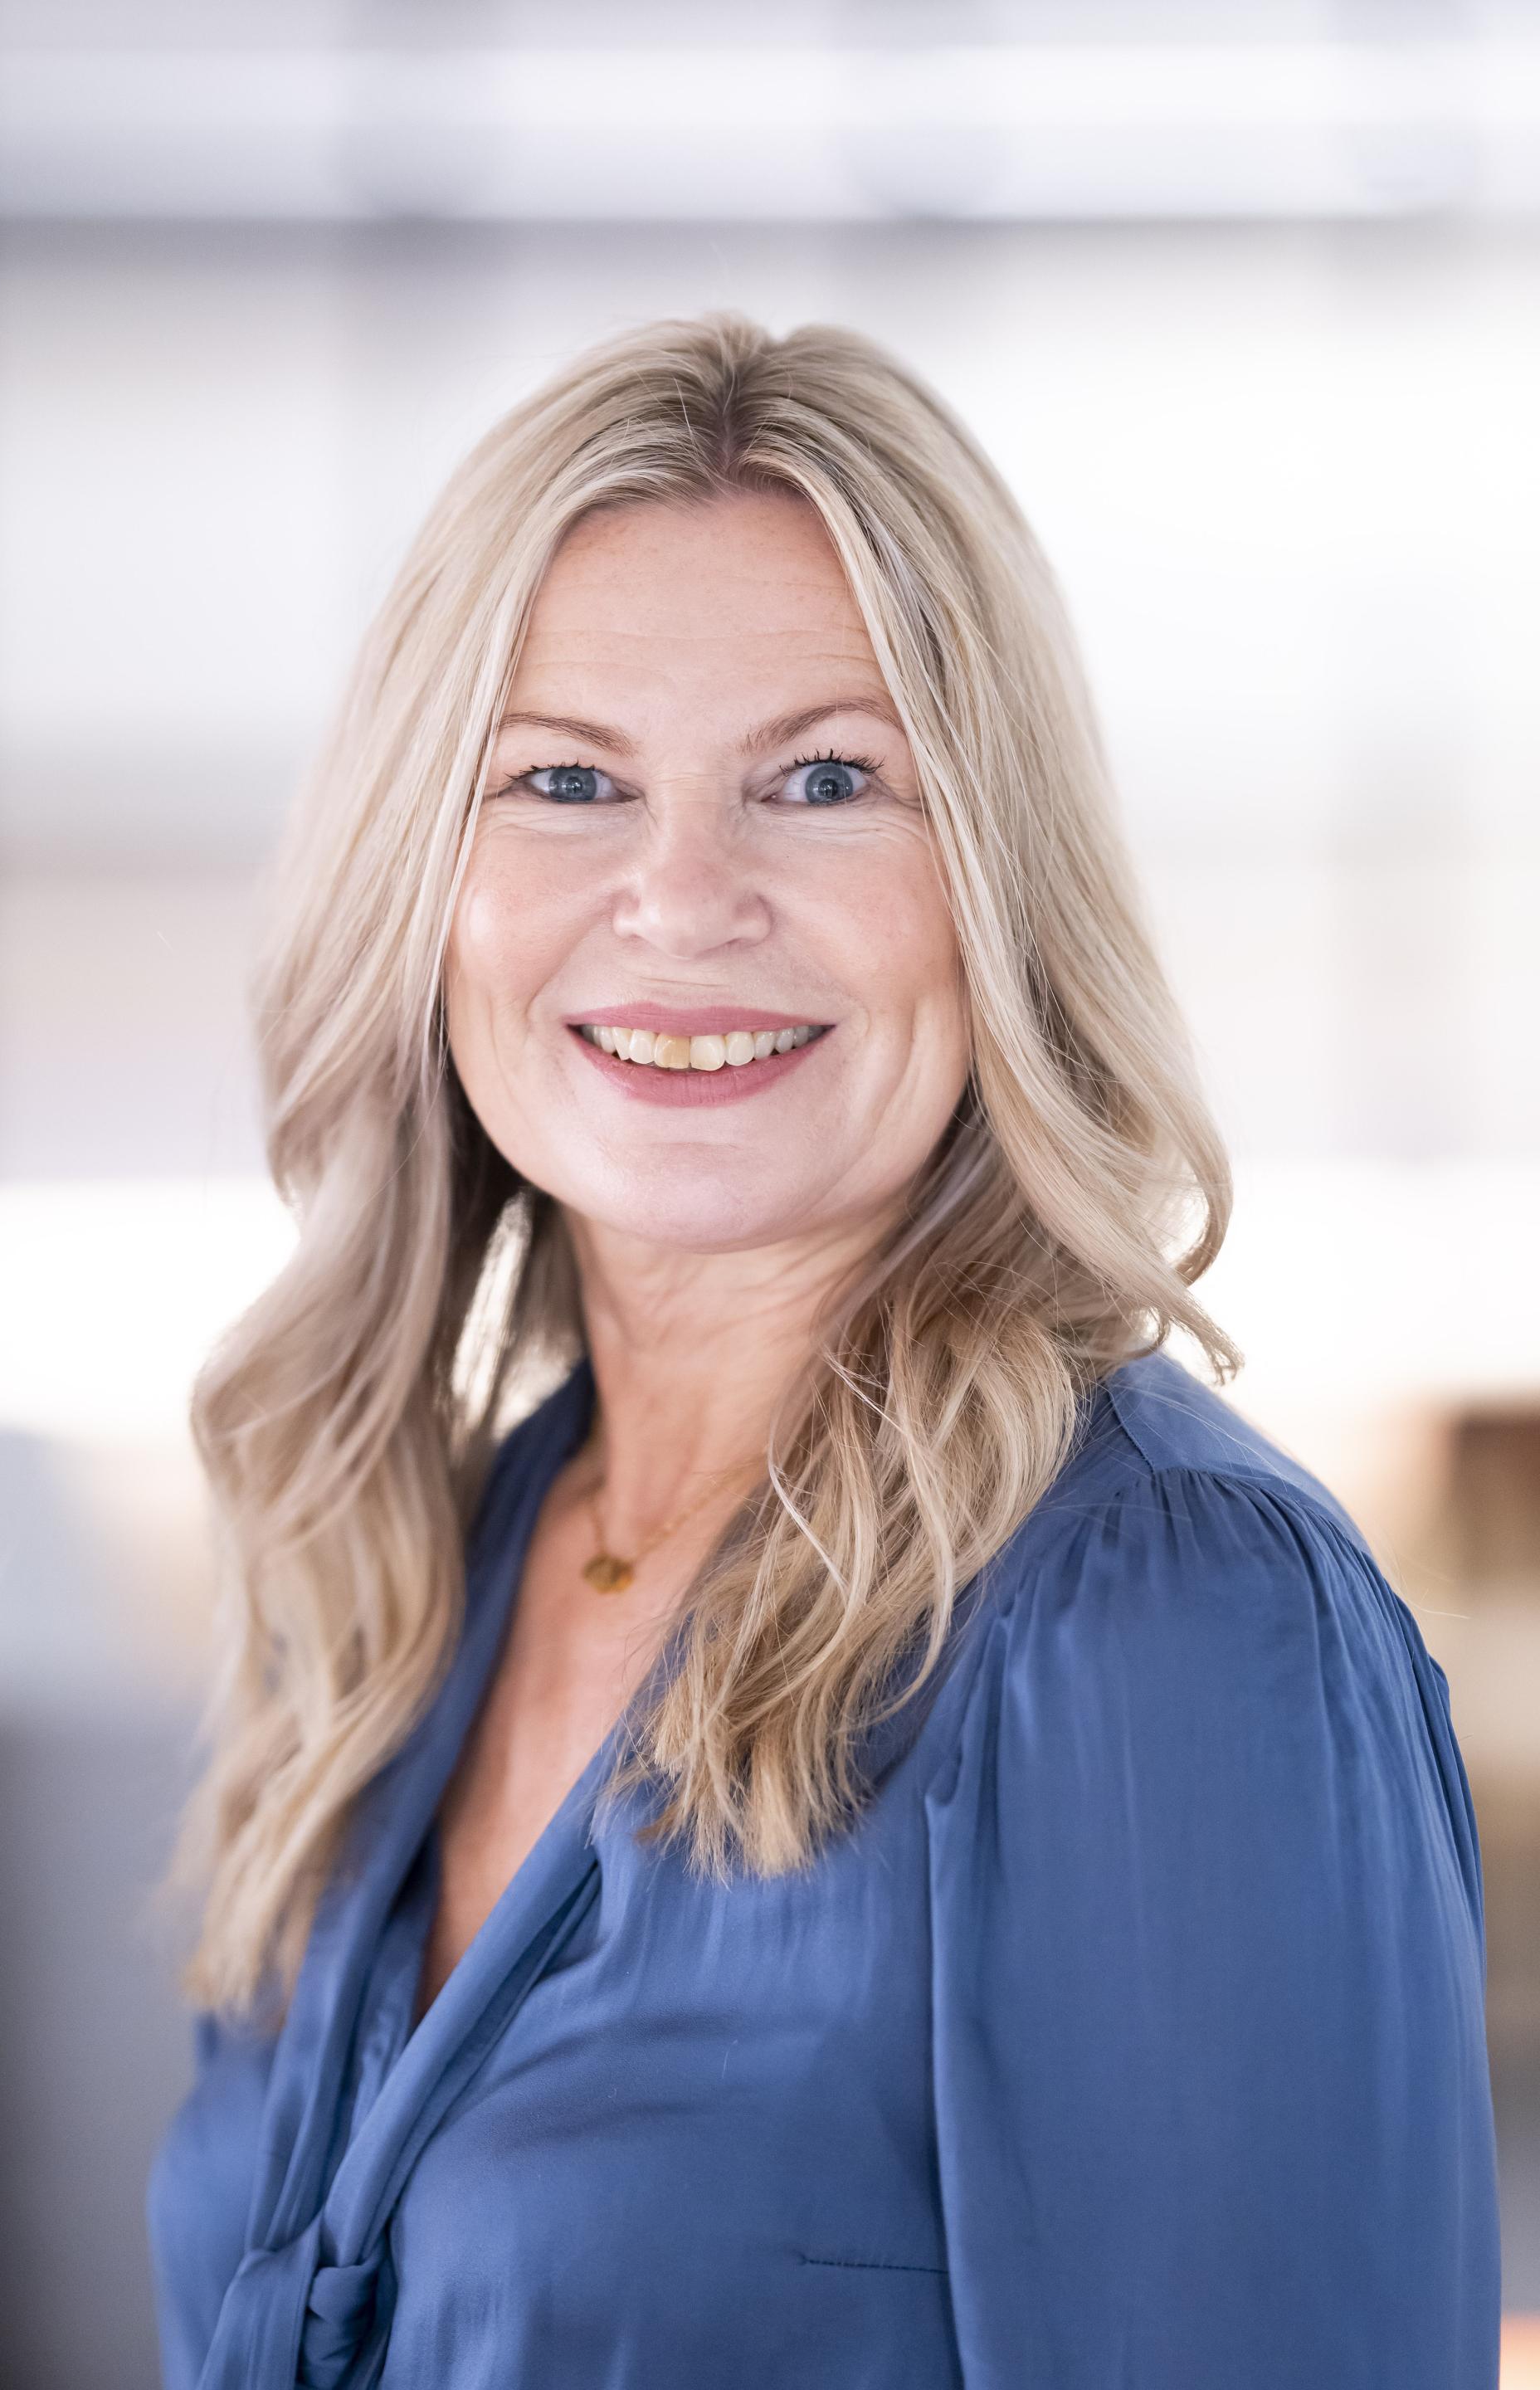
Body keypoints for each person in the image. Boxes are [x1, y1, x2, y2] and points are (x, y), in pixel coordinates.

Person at [148, 315, 1500, 2389]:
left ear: (994, 888)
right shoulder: (426, 1570)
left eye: (828, 778)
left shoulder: (1164, 1623)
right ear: (424, 884)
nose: (683, 901)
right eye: (567, 778)